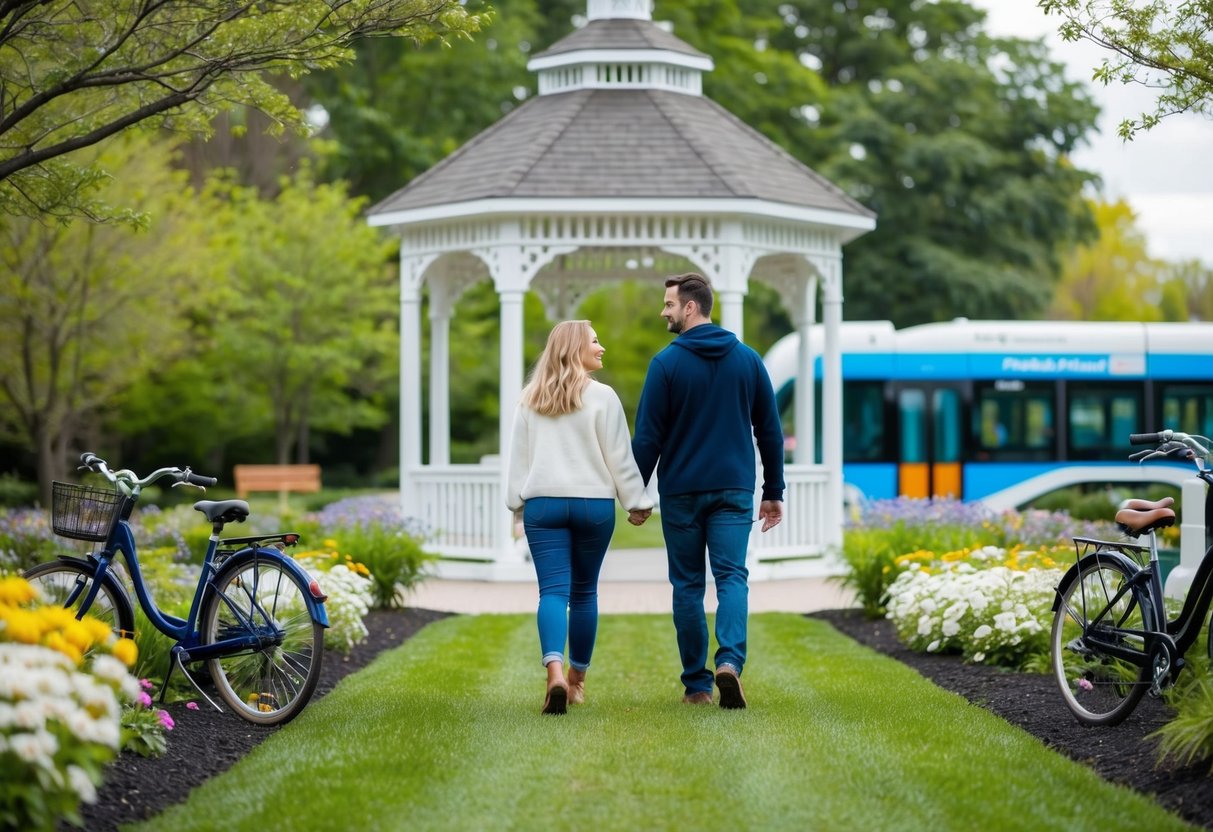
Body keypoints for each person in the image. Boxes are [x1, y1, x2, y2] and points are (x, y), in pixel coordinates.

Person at [632, 273, 784, 709]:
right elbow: (770, 433)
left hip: (681, 492)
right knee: (732, 576)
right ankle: (730, 663)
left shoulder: (665, 364)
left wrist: (635, 494)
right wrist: (773, 489)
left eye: (668, 304)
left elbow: (647, 440)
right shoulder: (749, 360)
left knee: (687, 585)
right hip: (734, 489)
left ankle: (697, 686)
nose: (664, 311)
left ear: (690, 307)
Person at [507, 320, 653, 715]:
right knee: (585, 592)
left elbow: (518, 461)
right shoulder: (604, 397)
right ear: (576, 349)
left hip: (544, 506)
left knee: (553, 592)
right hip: (593, 506)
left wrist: (515, 506)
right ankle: (575, 680)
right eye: (595, 341)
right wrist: (636, 501)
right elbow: (619, 458)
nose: (601, 347)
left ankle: (553, 671)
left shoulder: (529, 398)